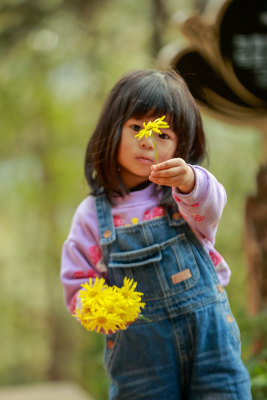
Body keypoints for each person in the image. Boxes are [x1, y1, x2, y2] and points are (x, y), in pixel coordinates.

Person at [60, 69, 251, 399]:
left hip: (211, 345)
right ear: (112, 129)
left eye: (163, 135)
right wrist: (97, 307)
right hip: (140, 361)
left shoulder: (185, 197)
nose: (147, 141)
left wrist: (190, 179)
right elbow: (78, 282)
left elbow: (212, 203)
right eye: (137, 127)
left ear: (181, 146)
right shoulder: (92, 215)